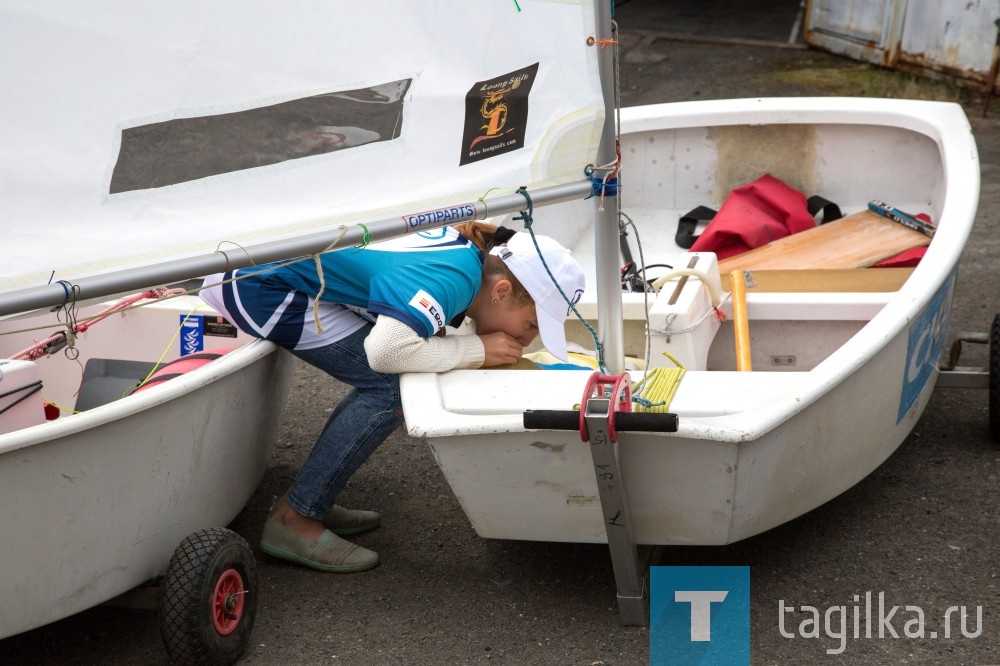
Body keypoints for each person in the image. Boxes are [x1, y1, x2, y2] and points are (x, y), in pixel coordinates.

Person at [199, 221, 585, 573]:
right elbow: (386, 353)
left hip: (264, 263)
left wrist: (466, 347)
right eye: (531, 324)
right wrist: (476, 351)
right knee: (391, 385)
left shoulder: (467, 260)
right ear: (501, 291)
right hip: (255, 284)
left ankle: (313, 495)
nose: (527, 339)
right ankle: (295, 519)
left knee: (407, 362)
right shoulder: (454, 280)